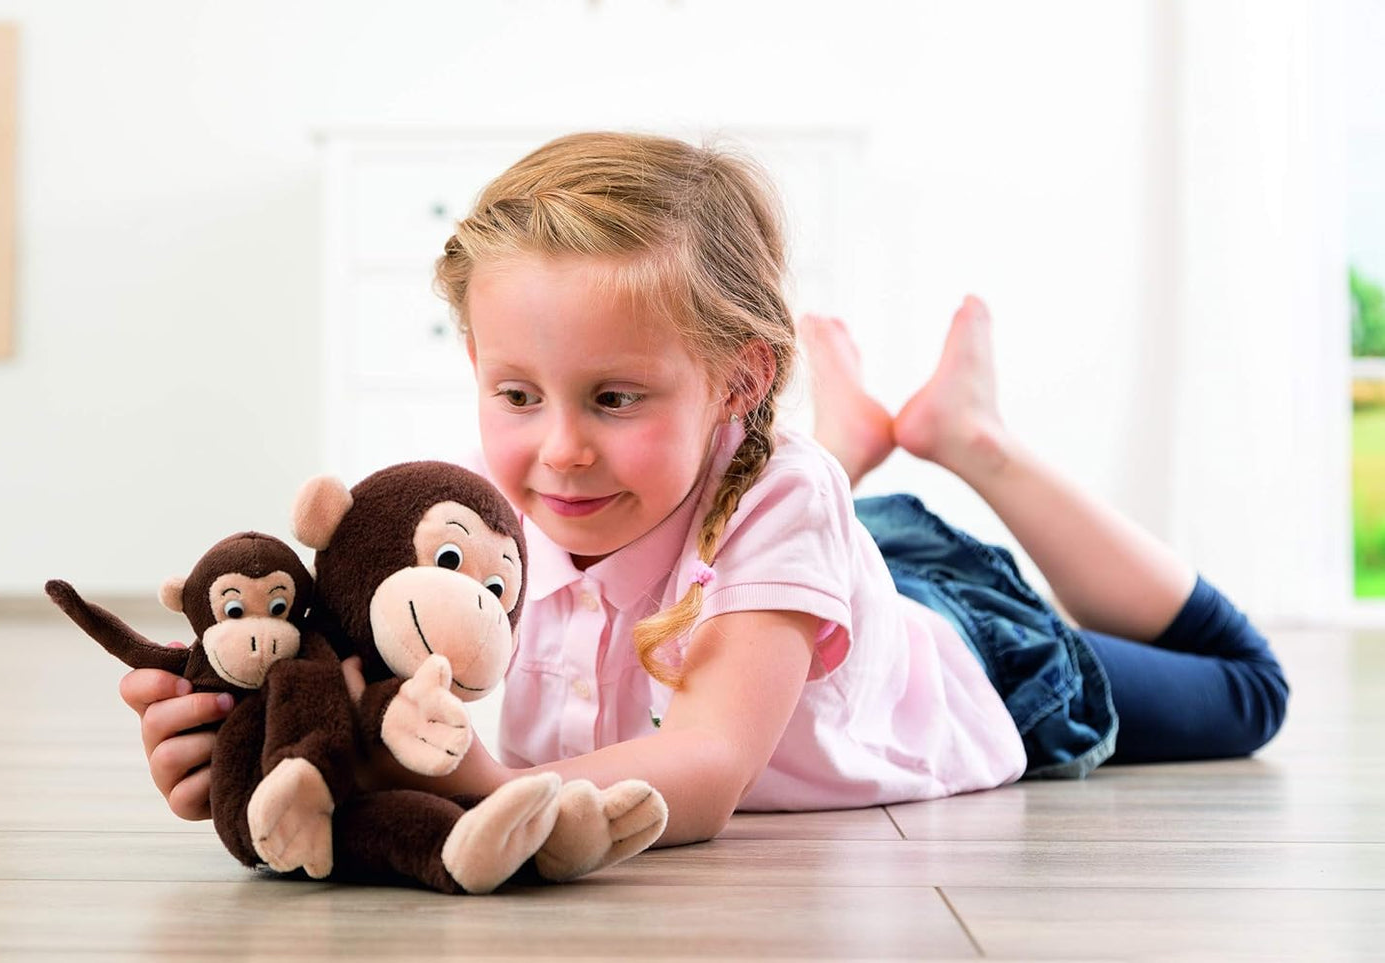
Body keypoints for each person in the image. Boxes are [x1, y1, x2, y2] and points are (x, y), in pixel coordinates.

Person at [120, 132, 1289, 848]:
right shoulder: (486, 519)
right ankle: (848, 448)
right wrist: (256, 734)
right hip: (777, 559)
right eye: (516, 395)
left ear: (738, 378)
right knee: (805, 500)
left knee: (1247, 692)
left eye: (614, 398)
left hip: (965, 655)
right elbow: (353, 665)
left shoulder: (779, 506)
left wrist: (485, 781)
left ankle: (968, 439)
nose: (558, 453)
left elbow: (708, 767)